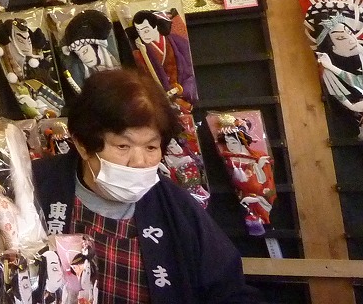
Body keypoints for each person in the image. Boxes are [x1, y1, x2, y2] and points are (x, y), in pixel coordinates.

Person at [32, 68, 261, 304]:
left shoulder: (178, 210)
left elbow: (230, 292)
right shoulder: (35, 186)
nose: (139, 162)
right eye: (123, 146)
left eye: (151, 147)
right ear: (82, 145)